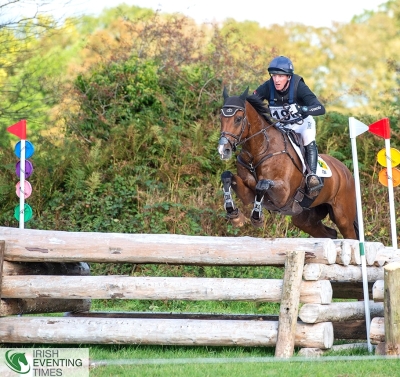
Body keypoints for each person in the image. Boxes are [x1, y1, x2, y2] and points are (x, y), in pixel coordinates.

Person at [253, 55, 325, 193]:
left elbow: (320, 108)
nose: (276, 80)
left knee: (308, 139)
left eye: (281, 76)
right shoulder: (268, 87)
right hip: (283, 126)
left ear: (289, 77)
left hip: (302, 123)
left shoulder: (299, 86)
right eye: (274, 76)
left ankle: (312, 176)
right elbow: (251, 101)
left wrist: (302, 108)